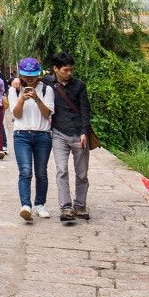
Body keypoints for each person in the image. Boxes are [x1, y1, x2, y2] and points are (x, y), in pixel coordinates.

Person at [8, 57, 54, 222]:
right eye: (27, 75)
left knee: (41, 172)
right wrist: (22, 98)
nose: (30, 78)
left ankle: (40, 204)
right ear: (21, 73)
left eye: (33, 75)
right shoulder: (14, 90)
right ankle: (25, 205)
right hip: (22, 135)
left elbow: (47, 114)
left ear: (38, 73)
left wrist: (36, 98)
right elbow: (17, 114)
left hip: (42, 135)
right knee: (25, 171)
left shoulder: (46, 90)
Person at [48, 52, 91, 222]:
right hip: (58, 133)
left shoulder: (79, 86)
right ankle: (65, 207)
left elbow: (85, 110)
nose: (69, 73)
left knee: (82, 173)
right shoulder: (48, 84)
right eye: (65, 70)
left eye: (71, 70)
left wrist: (84, 132)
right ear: (56, 69)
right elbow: (28, 80)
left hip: (78, 134)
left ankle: (80, 205)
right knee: (61, 170)